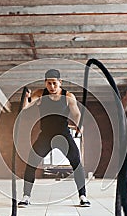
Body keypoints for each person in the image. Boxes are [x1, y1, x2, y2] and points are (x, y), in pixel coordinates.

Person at [18, 69, 91, 207]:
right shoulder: (40, 94)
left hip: (63, 135)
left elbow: (76, 114)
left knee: (77, 163)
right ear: (45, 83)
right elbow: (26, 107)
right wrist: (25, 98)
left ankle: (83, 196)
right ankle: (26, 196)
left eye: (54, 83)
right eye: (49, 83)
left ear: (60, 82)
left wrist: (79, 125)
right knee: (31, 163)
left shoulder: (68, 96)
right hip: (45, 135)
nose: (52, 87)